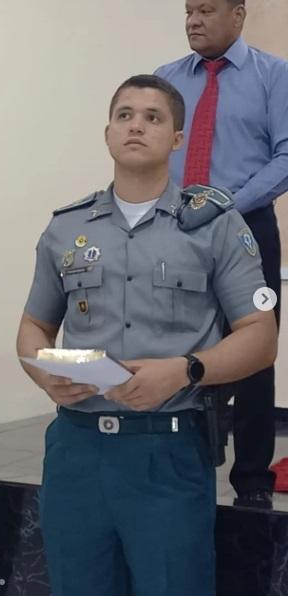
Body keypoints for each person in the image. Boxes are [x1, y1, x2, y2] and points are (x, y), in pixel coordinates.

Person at [16, 75, 277, 596]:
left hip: (168, 451)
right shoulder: (65, 228)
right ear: (108, 132)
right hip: (76, 451)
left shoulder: (215, 226)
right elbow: (33, 327)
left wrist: (186, 369)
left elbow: (260, 336)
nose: (137, 125)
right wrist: (45, 371)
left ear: (176, 138)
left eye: (153, 117)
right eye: (125, 115)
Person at [155, 0, 288, 508]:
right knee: (174, 339)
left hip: (246, 227)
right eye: (189, 11)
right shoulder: (165, 80)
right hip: (174, 229)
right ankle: (172, 466)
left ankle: (252, 480)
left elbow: (285, 153)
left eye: (206, 10)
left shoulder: (274, 76)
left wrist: (227, 204)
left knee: (253, 350)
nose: (193, 20)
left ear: (239, 14)